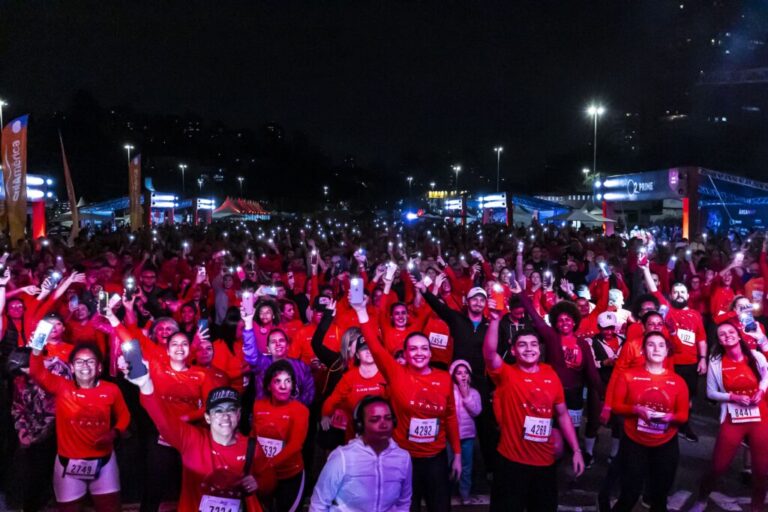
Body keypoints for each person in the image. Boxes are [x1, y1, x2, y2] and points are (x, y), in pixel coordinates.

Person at [352, 295, 461, 512]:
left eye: (423, 348)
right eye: (413, 349)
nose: (419, 353)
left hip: (436, 459)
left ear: (430, 353)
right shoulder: (397, 373)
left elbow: (449, 416)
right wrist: (361, 311)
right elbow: (375, 346)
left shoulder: (444, 378)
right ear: (406, 353)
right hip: (403, 459)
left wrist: (457, 454)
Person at [124, 370, 276, 512]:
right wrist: (146, 385)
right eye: (218, 411)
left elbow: (270, 482)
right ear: (207, 417)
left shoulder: (252, 448)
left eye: (231, 409)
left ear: (238, 415)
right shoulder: (192, 440)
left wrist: (258, 483)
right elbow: (163, 421)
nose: (225, 416)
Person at [483, 310, 584, 511]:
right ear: (513, 351)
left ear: (539, 349)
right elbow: (489, 353)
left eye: (533, 344)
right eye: (522, 345)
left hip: (544, 464)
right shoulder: (506, 374)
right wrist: (495, 321)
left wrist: (576, 450)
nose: (529, 349)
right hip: (511, 463)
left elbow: (562, 414)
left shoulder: (550, 374)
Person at [30, 343, 131, 512]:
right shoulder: (62, 386)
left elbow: (124, 416)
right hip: (67, 465)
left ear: (99, 367)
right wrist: (38, 344)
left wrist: (114, 433)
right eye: (79, 362)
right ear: (71, 367)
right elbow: (36, 372)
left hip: (104, 463)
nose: (85, 366)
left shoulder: (111, 389)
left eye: (90, 361)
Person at [689, 320, 768, 512]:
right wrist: (732, 397)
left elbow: (767, 375)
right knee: (718, 466)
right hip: (733, 418)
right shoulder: (716, 361)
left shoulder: (755, 356)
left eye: (731, 331)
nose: (727, 335)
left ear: (739, 334)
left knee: (762, 468)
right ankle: (702, 498)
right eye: (722, 334)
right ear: (719, 340)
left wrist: (760, 390)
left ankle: (757, 506)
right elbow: (711, 393)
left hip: (760, 415)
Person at [609, 332, 689, 512]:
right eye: (651, 345)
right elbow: (617, 406)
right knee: (629, 494)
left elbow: (683, 416)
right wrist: (636, 410)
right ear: (643, 350)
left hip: (665, 444)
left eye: (661, 345)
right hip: (634, 441)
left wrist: (670, 418)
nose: (656, 349)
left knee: (659, 498)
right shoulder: (628, 376)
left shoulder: (678, 382)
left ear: (667, 351)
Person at [309, 396, 412, 512]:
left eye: (388, 418)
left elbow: (403, 502)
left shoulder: (403, 458)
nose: (384, 425)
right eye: (374, 419)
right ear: (360, 425)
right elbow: (319, 504)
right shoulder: (343, 457)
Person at [251, 359, 309, 512]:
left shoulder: (300, 410)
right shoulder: (258, 406)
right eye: (278, 381)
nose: (283, 386)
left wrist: (267, 464)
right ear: (269, 386)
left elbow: (296, 445)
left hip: (290, 475)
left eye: (288, 381)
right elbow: (253, 438)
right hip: (263, 475)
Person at [448, 359, 482, 505]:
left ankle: (464, 494)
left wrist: (466, 396)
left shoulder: (474, 393)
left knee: (466, 466)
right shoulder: (447, 391)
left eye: (465, 372)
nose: (462, 376)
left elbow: (476, 411)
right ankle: (447, 494)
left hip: (467, 436)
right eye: (458, 373)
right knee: (448, 465)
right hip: (449, 437)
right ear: (453, 375)